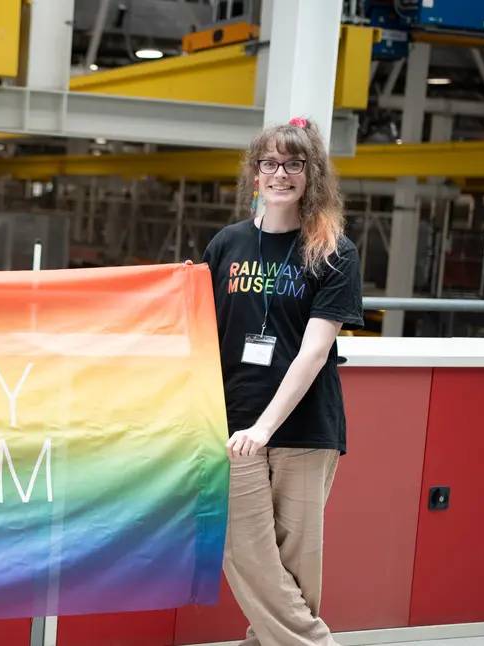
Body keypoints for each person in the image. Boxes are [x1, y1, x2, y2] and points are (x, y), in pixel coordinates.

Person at [200, 117, 364, 646]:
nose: (280, 174)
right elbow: (200, 327)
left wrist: (266, 428)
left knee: (296, 568)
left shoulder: (333, 250)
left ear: (311, 174)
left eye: (294, 164)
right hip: (232, 421)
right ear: (256, 173)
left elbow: (315, 351)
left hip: (303, 427)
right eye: (270, 163)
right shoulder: (226, 245)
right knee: (243, 549)